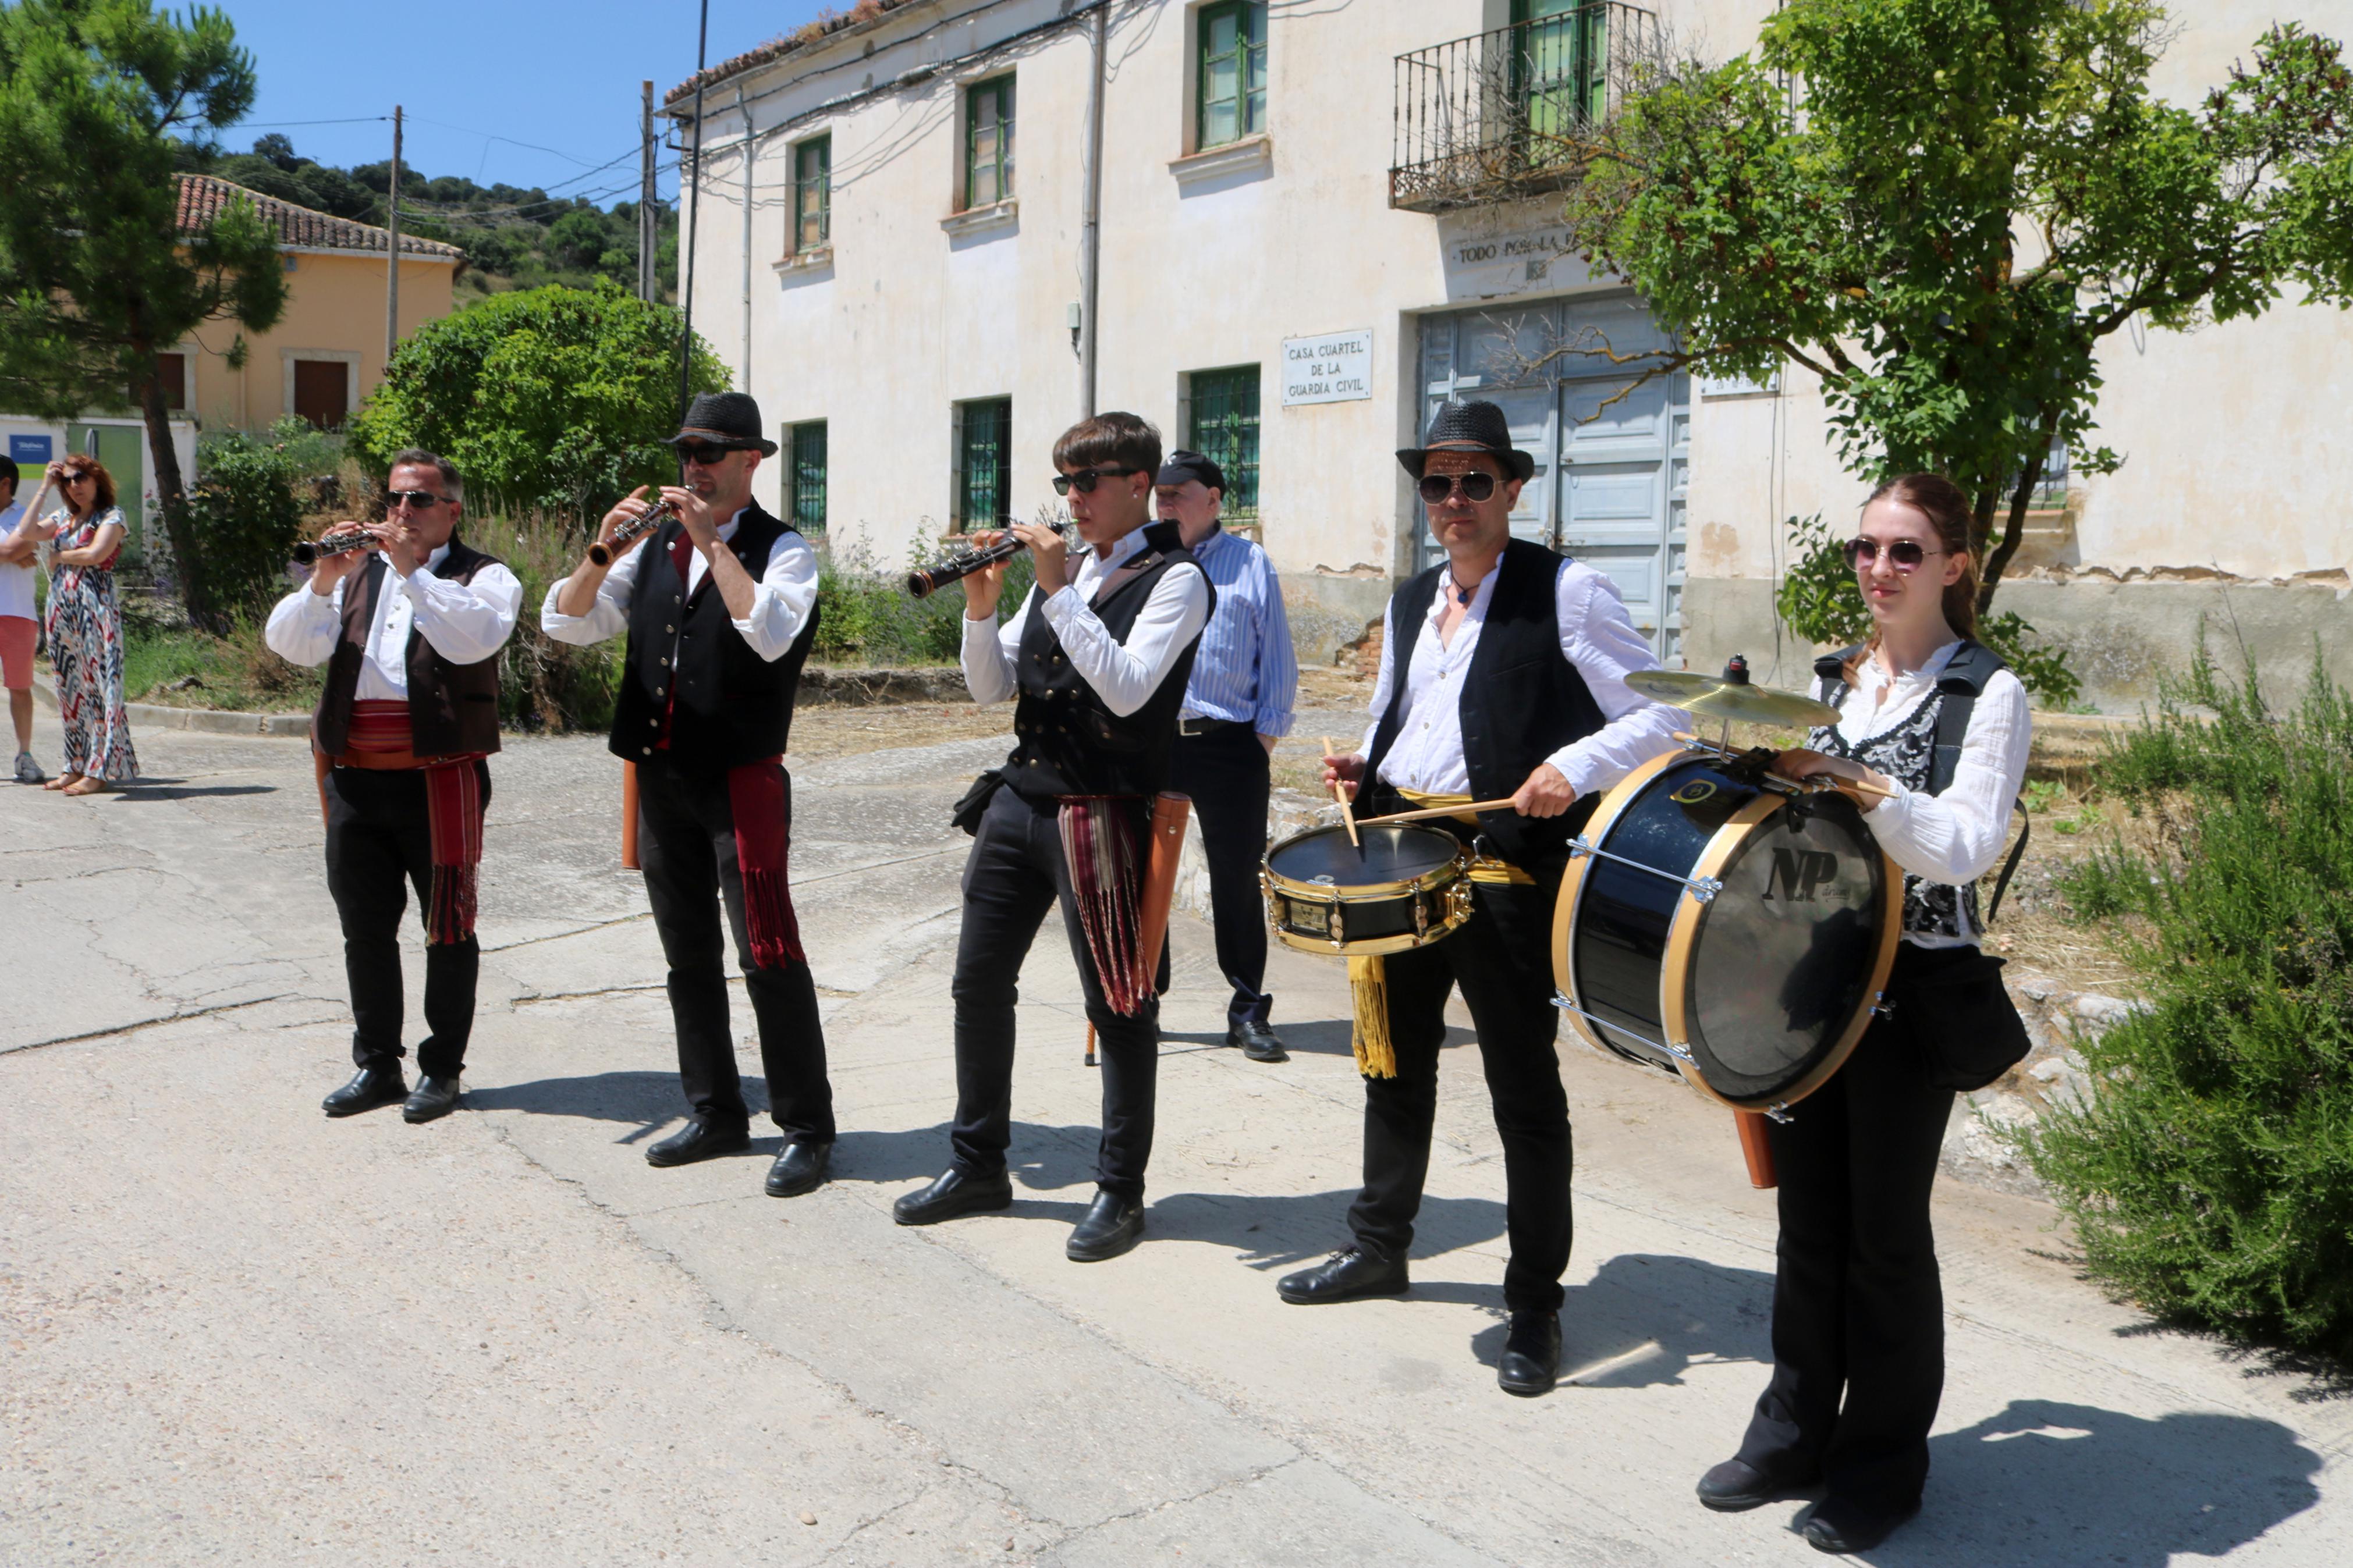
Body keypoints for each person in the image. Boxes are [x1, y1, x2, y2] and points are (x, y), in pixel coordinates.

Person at [1283, 400, 1680, 1396]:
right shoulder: (1416, 597)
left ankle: (1535, 1307)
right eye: (1436, 484)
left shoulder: (1568, 590)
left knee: (1522, 1093)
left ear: (1511, 488)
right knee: (1390, 1063)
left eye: (1473, 482)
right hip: (1398, 851)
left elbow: (1663, 711)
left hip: (1501, 868)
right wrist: (1358, 766)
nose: (1453, 501)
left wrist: (1571, 766)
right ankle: (1380, 1247)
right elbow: (1402, 714)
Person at [1696, 474, 2032, 1554]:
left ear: (1954, 564)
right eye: (1864, 550)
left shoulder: (1988, 694)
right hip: (1810, 978)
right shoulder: (1830, 679)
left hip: (1909, 989)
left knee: (1883, 1242)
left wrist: (1848, 778)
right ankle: (1792, 1430)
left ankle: (1882, 1466)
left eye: (1903, 551)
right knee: (1806, 1226)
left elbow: (1963, 844)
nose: (1877, 571)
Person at [894, 411, 1212, 1263]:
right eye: (1064, 482)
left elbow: (1126, 690)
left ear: (1137, 484)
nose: (1072, 499)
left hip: (1102, 812)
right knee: (977, 983)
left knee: (1117, 1002)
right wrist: (982, 605)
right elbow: (989, 687)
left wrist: (1059, 587)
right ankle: (977, 1162)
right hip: (1019, 802)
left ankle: (1120, 1188)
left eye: (1087, 483)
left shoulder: (1177, 579)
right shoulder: (1058, 578)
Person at [542, 392, 837, 1197]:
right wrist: (598, 552)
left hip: (741, 776)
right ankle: (714, 1109)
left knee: (768, 952)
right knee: (686, 955)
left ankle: (806, 1125)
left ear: (752, 460)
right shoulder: (650, 546)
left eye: (711, 451)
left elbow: (769, 632)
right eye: (686, 452)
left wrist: (711, 544)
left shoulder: (785, 551)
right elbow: (567, 623)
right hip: (661, 773)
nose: (694, 465)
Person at [265, 449, 523, 1123]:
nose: (401, 512)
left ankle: (441, 1070)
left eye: (419, 501)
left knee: (448, 928)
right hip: (355, 779)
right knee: (365, 929)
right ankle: (377, 1064)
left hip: (438, 781)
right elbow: (291, 645)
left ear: (452, 511)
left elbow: (473, 640)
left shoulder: (485, 576)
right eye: (394, 500)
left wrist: (410, 570)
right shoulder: (357, 573)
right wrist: (323, 579)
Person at [1155, 450, 1297, 1062]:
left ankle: (1246, 1009)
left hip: (1228, 745)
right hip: (1152, 741)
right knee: (1142, 876)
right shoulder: (1143, 559)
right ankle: (1138, 998)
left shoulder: (1249, 563)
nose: (1164, 503)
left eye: (1178, 492)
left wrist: (1258, 741)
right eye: (1158, 493)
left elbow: (1278, 658)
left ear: (1213, 499)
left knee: (1236, 880)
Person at [26, 456, 136, 794]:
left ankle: (99, 770)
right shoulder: (62, 518)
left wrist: (59, 556)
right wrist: (44, 485)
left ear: (97, 479)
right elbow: (27, 532)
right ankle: (74, 765)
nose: (75, 485)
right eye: (68, 481)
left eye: (81, 478)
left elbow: (96, 555)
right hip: (62, 611)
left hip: (96, 610)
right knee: (69, 690)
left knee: (101, 689)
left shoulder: (112, 516)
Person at [0, 458, 47, 784]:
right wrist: (9, 553)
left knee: (20, 689)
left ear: (5, 483)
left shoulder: (27, 519)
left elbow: (22, 545)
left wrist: (15, 551)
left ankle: (25, 756)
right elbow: (9, 553)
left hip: (17, 613)